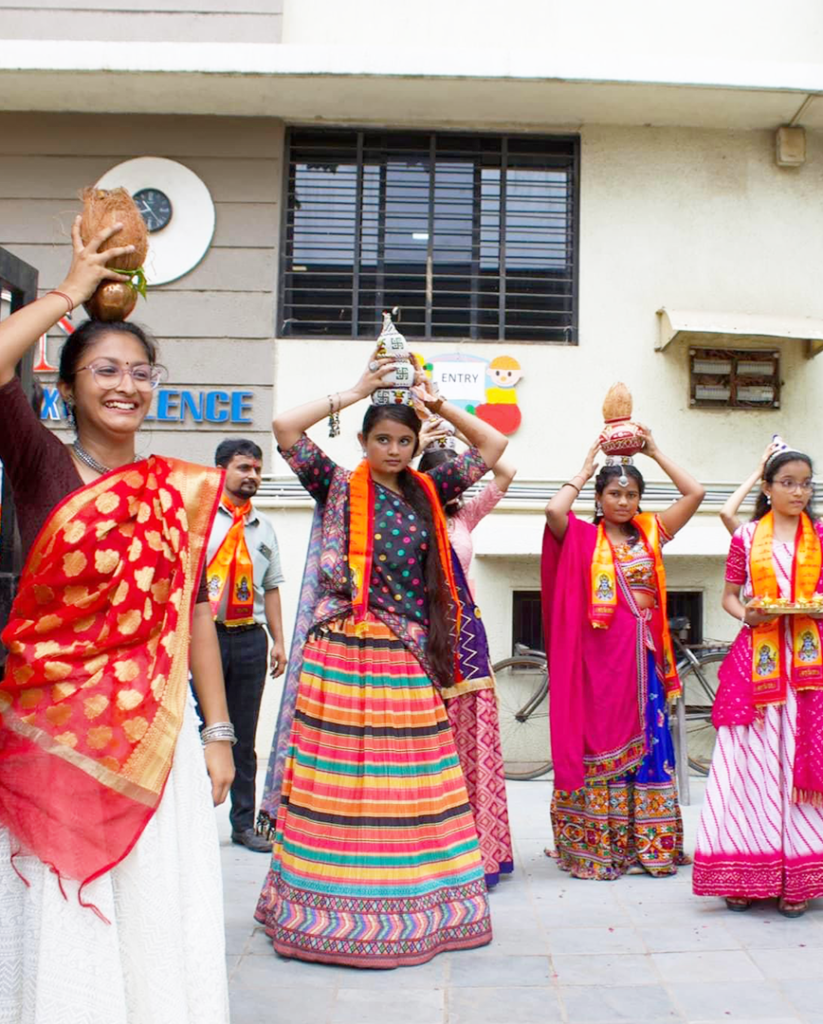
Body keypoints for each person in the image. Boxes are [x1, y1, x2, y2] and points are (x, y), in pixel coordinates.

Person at [0, 217, 233, 1023]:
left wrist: (219, 731)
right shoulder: (40, 462)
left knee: (151, 897)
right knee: (69, 898)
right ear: (67, 387)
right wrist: (69, 288)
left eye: (140, 370)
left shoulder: (177, 493)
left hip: (152, 735)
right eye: (104, 369)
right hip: (54, 728)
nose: (125, 384)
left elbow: (194, 610)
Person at [255, 350, 508, 968]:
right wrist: (356, 389)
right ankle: (324, 910)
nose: (393, 450)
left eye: (403, 439)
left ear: (418, 443)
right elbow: (286, 428)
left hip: (409, 649)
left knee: (412, 781)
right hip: (342, 649)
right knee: (338, 783)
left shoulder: (429, 489)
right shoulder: (338, 483)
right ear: (364, 441)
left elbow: (495, 445)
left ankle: (411, 905)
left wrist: (436, 400)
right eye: (382, 440)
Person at [691, 444, 823, 917]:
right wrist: (749, 613)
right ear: (767, 488)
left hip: (810, 665)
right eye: (788, 482)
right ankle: (743, 871)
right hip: (758, 660)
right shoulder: (746, 536)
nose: (799, 491)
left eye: (806, 483)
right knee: (750, 761)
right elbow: (729, 597)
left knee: (800, 756)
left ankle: (799, 877)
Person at [541, 429, 705, 880]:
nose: (623, 501)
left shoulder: (651, 533)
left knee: (651, 740)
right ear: (598, 498)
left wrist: (654, 450)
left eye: (631, 494)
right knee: (599, 740)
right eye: (614, 493)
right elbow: (554, 509)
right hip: (597, 662)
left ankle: (647, 845)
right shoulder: (579, 538)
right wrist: (585, 466)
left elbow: (696, 492)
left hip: (643, 657)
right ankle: (599, 843)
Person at [417, 421, 516, 886]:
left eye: (456, 480)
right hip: (418, 632)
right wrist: (417, 442)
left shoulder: (463, 519)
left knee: (469, 735)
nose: (451, 487)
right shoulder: (407, 517)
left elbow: (506, 469)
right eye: (444, 479)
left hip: (465, 635)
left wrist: (451, 428)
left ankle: (480, 849)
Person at [206, 438, 286, 853]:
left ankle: (242, 825)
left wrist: (278, 641)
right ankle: (196, 824)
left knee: (244, 736)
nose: (252, 475)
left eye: (256, 468)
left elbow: (270, 588)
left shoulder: (264, 528)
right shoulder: (199, 520)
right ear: (222, 471)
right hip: (206, 640)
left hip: (250, 638)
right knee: (198, 733)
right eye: (243, 468)